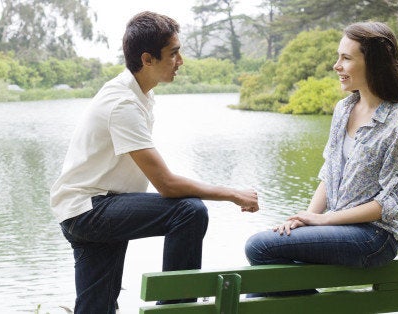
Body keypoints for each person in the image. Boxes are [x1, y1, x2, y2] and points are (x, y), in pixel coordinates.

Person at [50, 11, 259, 314]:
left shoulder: (139, 96)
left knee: (97, 308)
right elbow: (167, 185)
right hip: (90, 209)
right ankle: (176, 309)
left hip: (88, 209)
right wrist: (232, 193)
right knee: (189, 211)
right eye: (173, 53)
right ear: (147, 59)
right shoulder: (123, 103)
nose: (180, 61)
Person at [244, 21, 398, 295]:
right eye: (338, 56)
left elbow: (391, 203)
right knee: (261, 286)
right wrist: (306, 218)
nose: (336, 65)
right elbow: (330, 174)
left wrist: (323, 221)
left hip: (374, 237)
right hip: (338, 230)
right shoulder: (344, 108)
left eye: (346, 58)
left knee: (260, 246)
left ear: (374, 62)